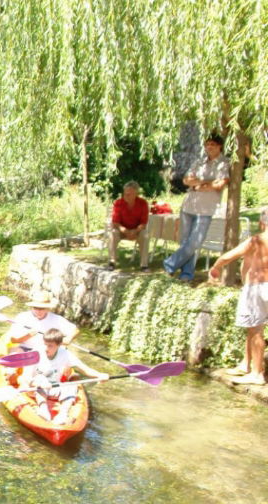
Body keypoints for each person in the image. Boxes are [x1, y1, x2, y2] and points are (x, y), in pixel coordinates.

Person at [208, 207, 268, 385]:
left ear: (261, 222)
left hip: (258, 287)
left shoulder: (257, 240)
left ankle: (257, 373)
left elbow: (228, 257)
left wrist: (216, 268)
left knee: (256, 329)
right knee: (253, 328)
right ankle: (246, 364)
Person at [164, 135, 230, 282]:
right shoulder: (199, 161)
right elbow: (186, 180)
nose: (209, 147)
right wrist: (206, 182)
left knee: (195, 242)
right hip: (189, 205)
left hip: (206, 209)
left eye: (212, 144)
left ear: (220, 146)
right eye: (207, 145)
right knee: (186, 242)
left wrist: (198, 184)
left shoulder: (224, 163)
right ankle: (186, 275)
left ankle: (170, 264)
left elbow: (220, 184)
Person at [20, 328, 109, 424]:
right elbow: (26, 376)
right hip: (35, 389)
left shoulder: (65, 354)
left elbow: (85, 369)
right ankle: (43, 409)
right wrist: (38, 383)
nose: (46, 348)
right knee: (42, 378)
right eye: (45, 344)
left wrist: (99, 375)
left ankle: (63, 414)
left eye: (50, 346)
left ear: (59, 345)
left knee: (73, 384)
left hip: (54, 388)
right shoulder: (35, 353)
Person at [7, 291, 79, 352]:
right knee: (15, 351)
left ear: (48, 308)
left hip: (47, 351)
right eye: (36, 308)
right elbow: (14, 340)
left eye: (42, 308)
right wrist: (29, 335)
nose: (38, 311)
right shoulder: (22, 317)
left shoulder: (56, 319)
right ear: (32, 307)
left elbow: (75, 330)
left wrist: (69, 338)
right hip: (26, 349)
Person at [109, 180, 150, 271]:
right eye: (125, 193)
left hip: (137, 230)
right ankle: (112, 262)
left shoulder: (143, 203)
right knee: (113, 234)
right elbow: (115, 222)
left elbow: (143, 223)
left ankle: (144, 265)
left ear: (136, 193)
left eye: (129, 194)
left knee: (145, 235)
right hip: (122, 230)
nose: (126, 195)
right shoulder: (118, 203)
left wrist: (135, 231)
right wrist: (126, 231)